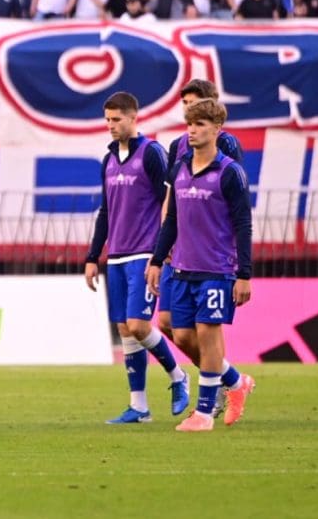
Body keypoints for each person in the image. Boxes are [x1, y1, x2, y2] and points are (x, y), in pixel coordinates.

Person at [147, 99, 256, 432]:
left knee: (209, 335)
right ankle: (236, 382)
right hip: (181, 268)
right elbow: (172, 221)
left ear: (217, 129)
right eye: (189, 124)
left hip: (216, 269)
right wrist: (156, 259)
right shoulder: (179, 167)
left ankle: (205, 413)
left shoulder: (229, 172)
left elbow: (243, 224)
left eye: (200, 124)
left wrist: (244, 275)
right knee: (180, 334)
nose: (192, 130)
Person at [85, 92, 189, 424]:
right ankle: (139, 406)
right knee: (124, 329)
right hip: (115, 256)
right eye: (107, 120)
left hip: (144, 253)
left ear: (134, 118)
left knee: (139, 325)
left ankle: (178, 376)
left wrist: (162, 252)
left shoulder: (152, 154)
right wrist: (92, 256)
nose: (111, 126)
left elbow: (170, 204)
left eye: (117, 120)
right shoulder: (109, 160)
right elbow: (106, 211)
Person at [158, 79, 246, 383]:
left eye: (195, 106)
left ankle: (216, 388)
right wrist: (162, 243)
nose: (188, 113)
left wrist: (239, 264)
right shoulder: (177, 149)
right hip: (178, 250)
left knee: (208, 328)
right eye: (185, 106)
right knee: (171, 326)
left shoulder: (226, 146)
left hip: (211, 254)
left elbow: (228, 200)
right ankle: (229, 378)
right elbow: (172, 197)